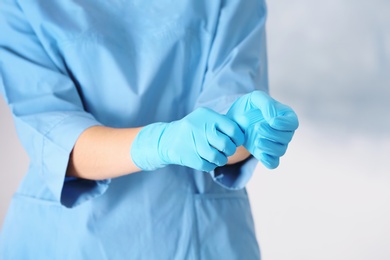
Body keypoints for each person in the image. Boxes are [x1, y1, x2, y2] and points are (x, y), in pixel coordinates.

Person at [0, 0, 298, 259]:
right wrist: (160, 143)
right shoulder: (20, 4)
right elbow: (56, 140)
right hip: (64, 240)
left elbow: (230, 115)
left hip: (201, 237)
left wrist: (246, 130)